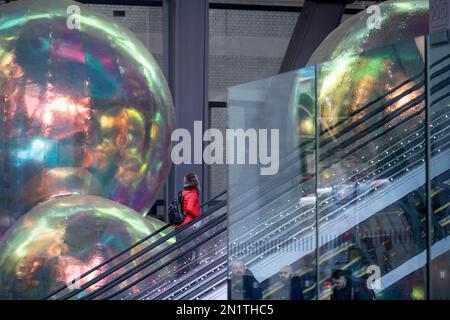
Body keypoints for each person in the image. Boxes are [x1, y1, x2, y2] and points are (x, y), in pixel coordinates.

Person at [175, 173, 201, 276]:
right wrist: (198, 214)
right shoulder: (193, 194)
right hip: (188, 227)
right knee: (188, 254)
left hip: (179, 227)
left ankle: (179, 276)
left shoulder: (183, 193)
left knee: (181, 255)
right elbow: (190, 208)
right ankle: (186, 277)